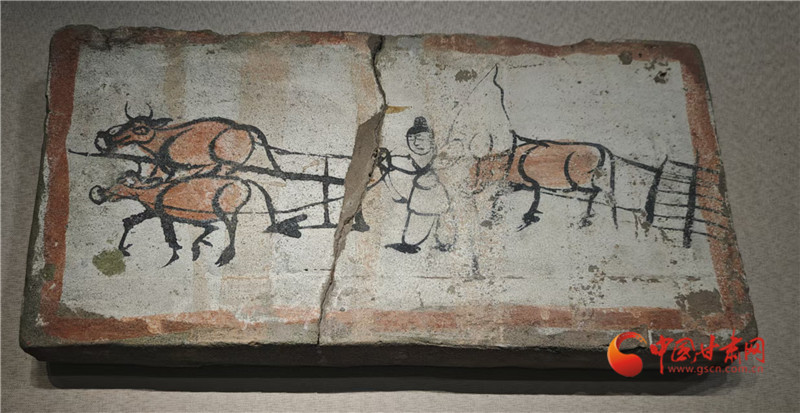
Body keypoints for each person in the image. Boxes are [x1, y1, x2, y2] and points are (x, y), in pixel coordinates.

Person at [379, 117, 452, 254]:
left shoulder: (434, 157)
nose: (416, 143)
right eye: (411, 139)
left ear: (431, 140)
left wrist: (390, 162)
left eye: (420, 138)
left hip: (430, 193)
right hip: (422, 192)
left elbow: (414, 168)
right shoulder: (414, 157)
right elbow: (405, 164)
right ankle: (419, 242)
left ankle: (436, 242)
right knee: (424, 221)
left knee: (432, 220)